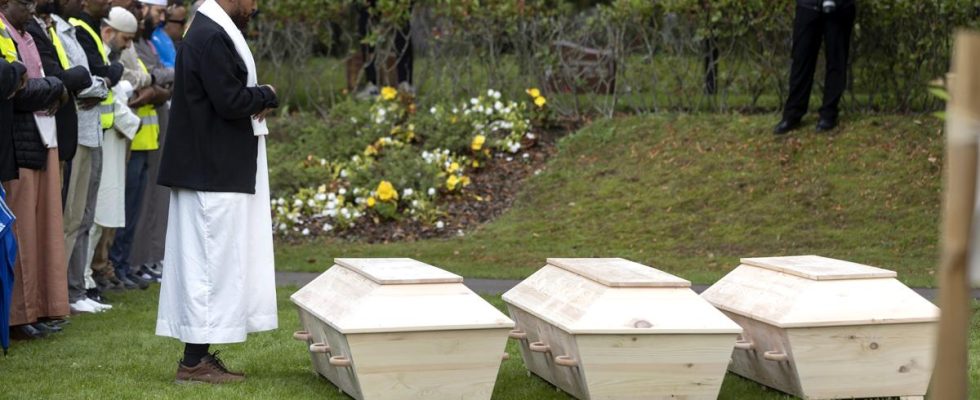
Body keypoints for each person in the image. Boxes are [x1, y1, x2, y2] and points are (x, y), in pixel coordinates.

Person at [156, 0, 278, 384]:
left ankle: (199, 356)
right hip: (210, 170)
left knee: (212, 265)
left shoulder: (210, 31)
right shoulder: (210, 36)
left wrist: (258, 95)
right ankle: (193, 363)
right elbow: (229, 101)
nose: (255, 6)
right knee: (210, 267)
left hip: (212, 167)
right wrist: (266, 94)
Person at [31, 0, 118, 314]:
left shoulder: (65, 30)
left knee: (84, 216)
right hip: (76, 131)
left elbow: (91, 80)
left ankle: (77, 288)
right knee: (71, 217)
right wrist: (97, 82)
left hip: (91, 131)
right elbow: (77, 80)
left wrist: (96, 82)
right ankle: (66, 290)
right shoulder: (60, 30)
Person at [1, 0, 71, 340]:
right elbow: (20, 90)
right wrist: (55, 88)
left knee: (43, 230)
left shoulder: (28, 35)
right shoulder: (4, 32)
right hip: (18, 143)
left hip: (41, 138)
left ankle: (41, 306)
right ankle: (17, 314)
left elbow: (34, 81)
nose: (31, 8)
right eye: (24, 2)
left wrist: (52, 86)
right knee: (21, 233)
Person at [130, 0, 172, 281]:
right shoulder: (140, 40)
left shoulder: (153, 40)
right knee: (141, 198)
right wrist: (161, 79)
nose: (161, 17)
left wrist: (161, 80)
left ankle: (149, 258)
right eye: (157, 10)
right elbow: (149, 76)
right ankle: (137, 261)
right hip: (136, 132)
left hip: (153, 127)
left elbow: (164, 74)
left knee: (154, 195)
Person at [774, 0, 856, 135]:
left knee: (836, 61)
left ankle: (828, 115)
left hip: (841, 6)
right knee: (801, 59)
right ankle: (793, 114)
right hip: (808, 5)